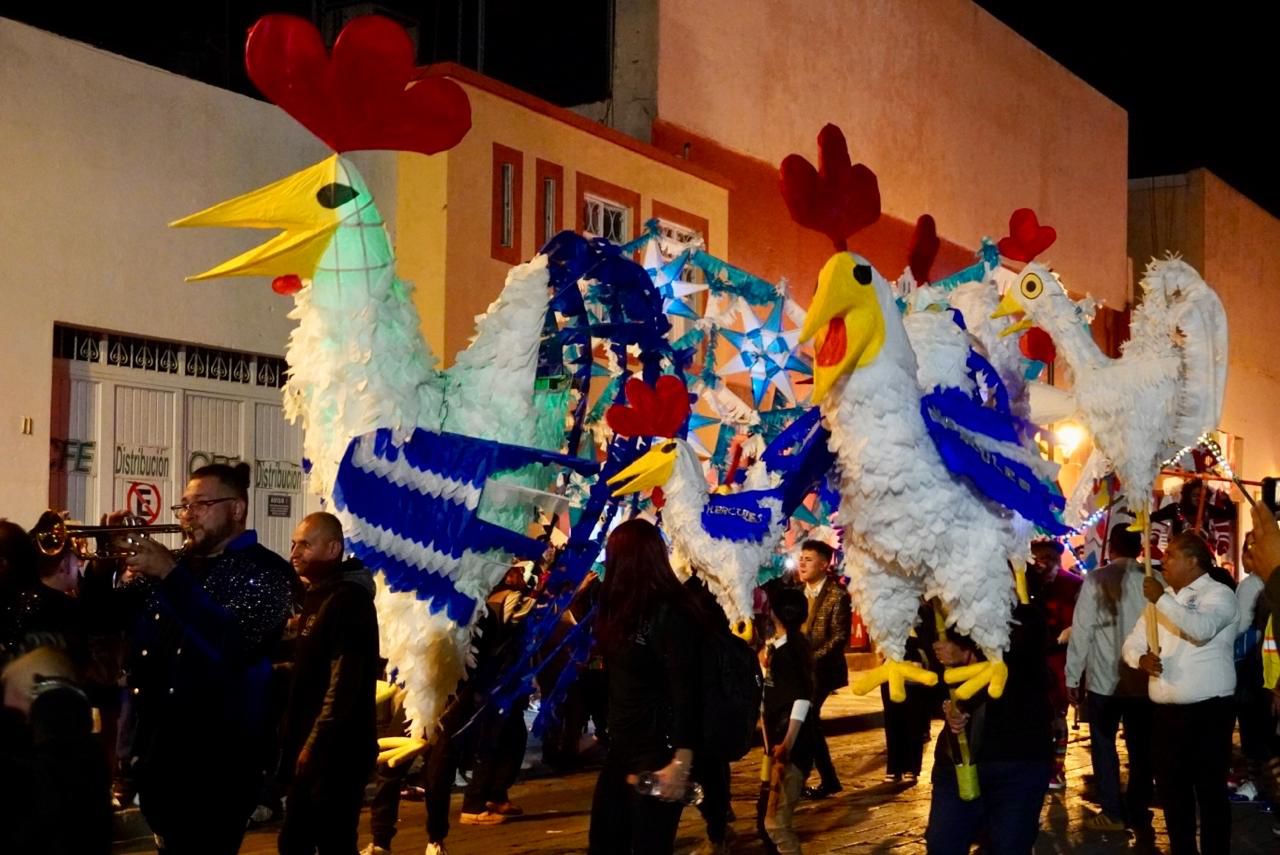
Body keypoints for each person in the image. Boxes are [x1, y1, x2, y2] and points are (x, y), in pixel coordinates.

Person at [118, 462, 293, 854]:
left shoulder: (268, 571)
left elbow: (232, 640)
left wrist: (169, 575)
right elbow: (110, 619)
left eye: (201, 504)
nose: (187, 515)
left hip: (220, 761)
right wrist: (107, 569)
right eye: (184, 506)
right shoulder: (178, 565)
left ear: (237, 509)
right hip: (161, 752)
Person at [587, 518, 705, 855]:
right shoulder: (621, 608)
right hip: (622, 749)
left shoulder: (672, 612)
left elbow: (686, 690)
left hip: (659, 752)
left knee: (648, 846)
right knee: (605, 842)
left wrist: (680, 762)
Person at [1122, 532, 1238, 855]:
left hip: (1209, 713)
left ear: (1193, 560)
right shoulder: (1162, 600)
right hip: (1165, 714)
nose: (1163, 561)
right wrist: (1139, 659)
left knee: (1210, 793)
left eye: (1171, 555)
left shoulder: (1220, 595)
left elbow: (1200, 630)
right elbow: (1131, 642)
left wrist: (1162, 599)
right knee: (1173, 794)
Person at [277, 513, 379, 855]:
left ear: (333, 548)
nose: (294, 552)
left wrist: (315, 743)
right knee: (296, 840)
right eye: (293, 544)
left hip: (337, 751)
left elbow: (344, 681)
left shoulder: (347, 600)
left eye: (305, 544)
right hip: (312, 746)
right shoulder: (317, 595)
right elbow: (313, 666)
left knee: (331, 839)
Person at [924, 602, 1053, 854]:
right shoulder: (941, 612)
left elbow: (1022, 661)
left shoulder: (1025, 610)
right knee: (943, 843)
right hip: (958, 761)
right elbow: (932, 682)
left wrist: (968, 653)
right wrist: (946, 705)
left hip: (1018, 758)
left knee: (1009, 845)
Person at [1064, 525, 1153, 832]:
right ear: (1139, 548)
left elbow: (1082, 631)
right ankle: (1139, 810)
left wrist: (1073, 676)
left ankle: (1113, 811)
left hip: (1104, 679)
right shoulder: (1154, 580)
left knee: (1104, 746)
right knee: (1142, 750)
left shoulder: (1096, 579)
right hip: (1144, 679)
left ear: (1111, 547)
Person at [758, 586, 816, 854]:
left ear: (775, 615)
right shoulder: (790, 647)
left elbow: (801, 698)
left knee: (776, 824)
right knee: (769, 821)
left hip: (791, 749)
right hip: (784, 745)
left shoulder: (789, 652)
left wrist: (787, 744)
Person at [795, 540, 850, 799]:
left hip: (823, 671)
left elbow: (838, 638)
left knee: (807, 717)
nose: (802, 563)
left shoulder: (837, 596)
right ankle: (828, 779)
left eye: (809, 558)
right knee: (808, 722)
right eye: (801, 558)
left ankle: (804, 776)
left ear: (824, 564)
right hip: (800, 670)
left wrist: (810, 659)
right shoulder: (796, 593)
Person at [1026, 537, 1081, 791]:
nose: (1043, 562)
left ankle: (1056, 769)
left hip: (1059, 659)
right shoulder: (1025, 582)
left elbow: (1082, 621)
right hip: (1031, 659)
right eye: (1038, 557)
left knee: (1057, 716)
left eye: (1049, 557)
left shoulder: (1073, 584)